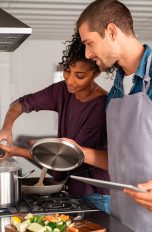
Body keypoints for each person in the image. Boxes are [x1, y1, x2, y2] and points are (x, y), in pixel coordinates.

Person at [0, 32, 110, 213]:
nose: (70, 80)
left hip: (97, 194)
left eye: (80, 75)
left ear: (96, 73)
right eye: (67, 70)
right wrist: (6, 128)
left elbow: (66, 159)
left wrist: (17, 151)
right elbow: (21, 104)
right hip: (73, 187)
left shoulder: (101, 106)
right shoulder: (63, 90)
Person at [75, 0, 152, 231]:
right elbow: (122, 161)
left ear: (111, 31)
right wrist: (77, 152)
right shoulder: (116, 91)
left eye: (90, 43)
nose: (87, 54)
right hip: (122, 219)